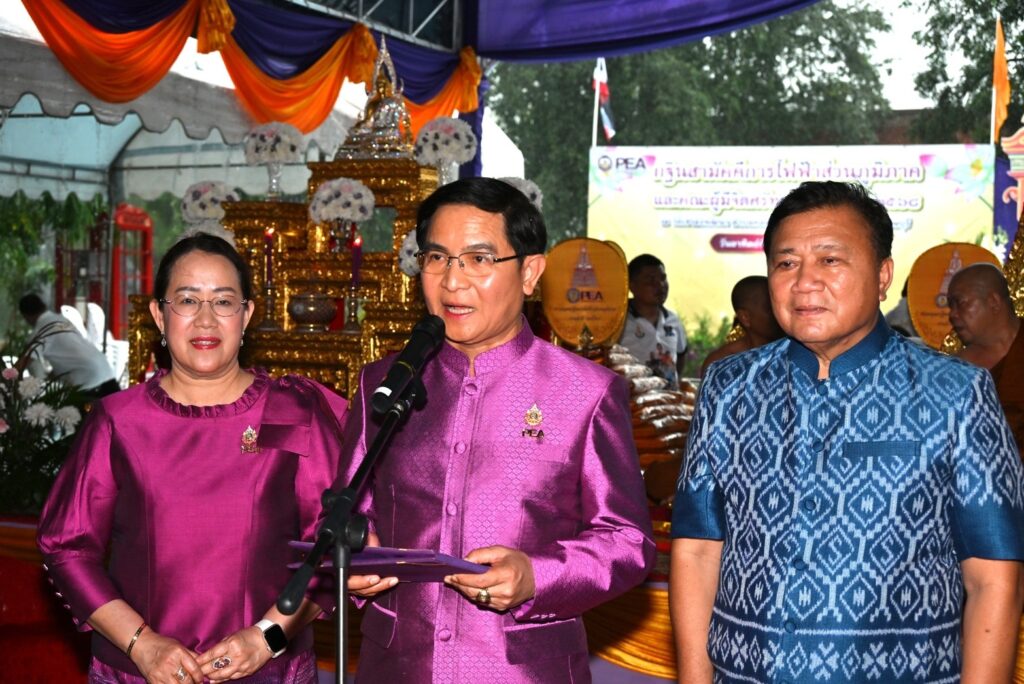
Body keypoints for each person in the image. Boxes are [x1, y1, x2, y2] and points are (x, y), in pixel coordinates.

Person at [670, 181, 1024, 683]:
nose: (804, 282)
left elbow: (993, 578)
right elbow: (698, 548)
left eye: (830, 260)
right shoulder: (728, 387)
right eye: (786, 263)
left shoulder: (956, 393)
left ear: (883, 276)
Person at [340, 177, 656, 682]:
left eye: (479, 259)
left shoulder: (586, 392)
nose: (452, 281)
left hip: (523, 670)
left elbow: (626, 541)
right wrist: (354, 554)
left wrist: (538, 576)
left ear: (530, 273)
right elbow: (345, 510)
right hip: (398, 666)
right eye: (437, 257)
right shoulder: (383, 383)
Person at [37, 233, 348, 684]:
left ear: (247, 315)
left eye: (223, 302)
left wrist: (267, 637)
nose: (206, 319)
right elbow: (67, 547)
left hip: (268, 671)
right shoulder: (119, 420)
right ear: (158, 315)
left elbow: (332, 544)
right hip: (137, 672)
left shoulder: (288, 412)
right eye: (187, 300)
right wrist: (142, 644)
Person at [948, 262, 1023, 452]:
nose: (952, 315)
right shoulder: (957, 370)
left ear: (993, 302)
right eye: (951, 306)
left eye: (961, 303)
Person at [18, 293, 120, 398]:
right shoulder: (60, 319)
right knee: (120, 408)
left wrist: (11, 380)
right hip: (105, 370)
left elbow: (22, 364)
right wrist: (49, 378)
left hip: (88, 380)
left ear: (26, 316)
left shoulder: (41, 331)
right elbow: (70, 354)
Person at [618, 254, 687, 388]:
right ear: (631, 285)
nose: (660, 285)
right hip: (631, 397)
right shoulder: (619, 321)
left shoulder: (673, 320)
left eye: (663, 278)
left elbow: (681, 354)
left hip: (667, 398)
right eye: (651, 280)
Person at [699, 275, 783, 377]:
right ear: (745, 317)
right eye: (770, 308)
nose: (780, 312)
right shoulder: (720, 363)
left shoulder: (793, 352)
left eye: (780, 305)